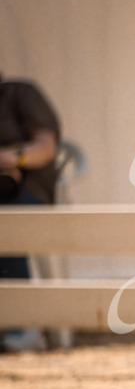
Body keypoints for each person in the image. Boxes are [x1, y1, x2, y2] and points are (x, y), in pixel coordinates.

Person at [0, 76, 60, 352]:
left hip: (26, 191)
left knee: (10, 222)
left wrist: (12, 158)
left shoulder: (19, 92)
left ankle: (23, 326)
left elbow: (46, 148)